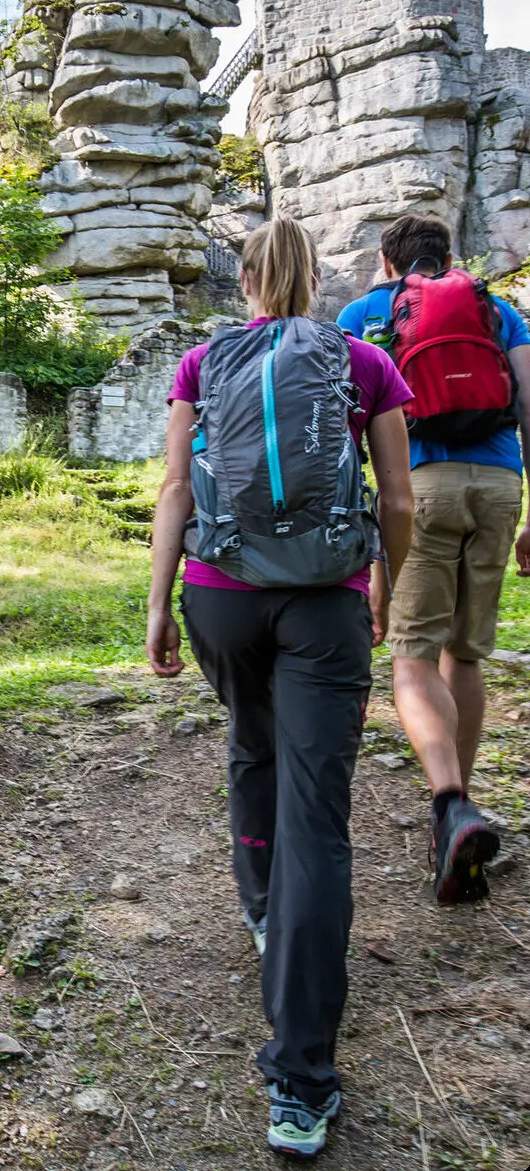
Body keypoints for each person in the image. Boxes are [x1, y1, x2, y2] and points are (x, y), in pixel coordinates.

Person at [147, 217, 414, 1159]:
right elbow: (398, 499)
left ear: (249, 281)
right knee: (318, 815)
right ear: (314, 278)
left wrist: (156, 609)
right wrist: (380, 586)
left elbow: (177, 489)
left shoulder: (200, 361)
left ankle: (263, 910)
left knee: (251, 742)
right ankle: (301, 1083)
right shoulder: (363, 363)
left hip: (219, 597)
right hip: (324, 605)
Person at [337, 213, 530, 903]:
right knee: (467, 655)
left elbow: (343, 422)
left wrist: (368, 555)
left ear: (389, 264)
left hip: (424, 485)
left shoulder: (367, 312)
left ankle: (450, 802)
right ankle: (459, 807)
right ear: (448, 257)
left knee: (413, 657)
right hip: (500, 485)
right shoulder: (497, 308)